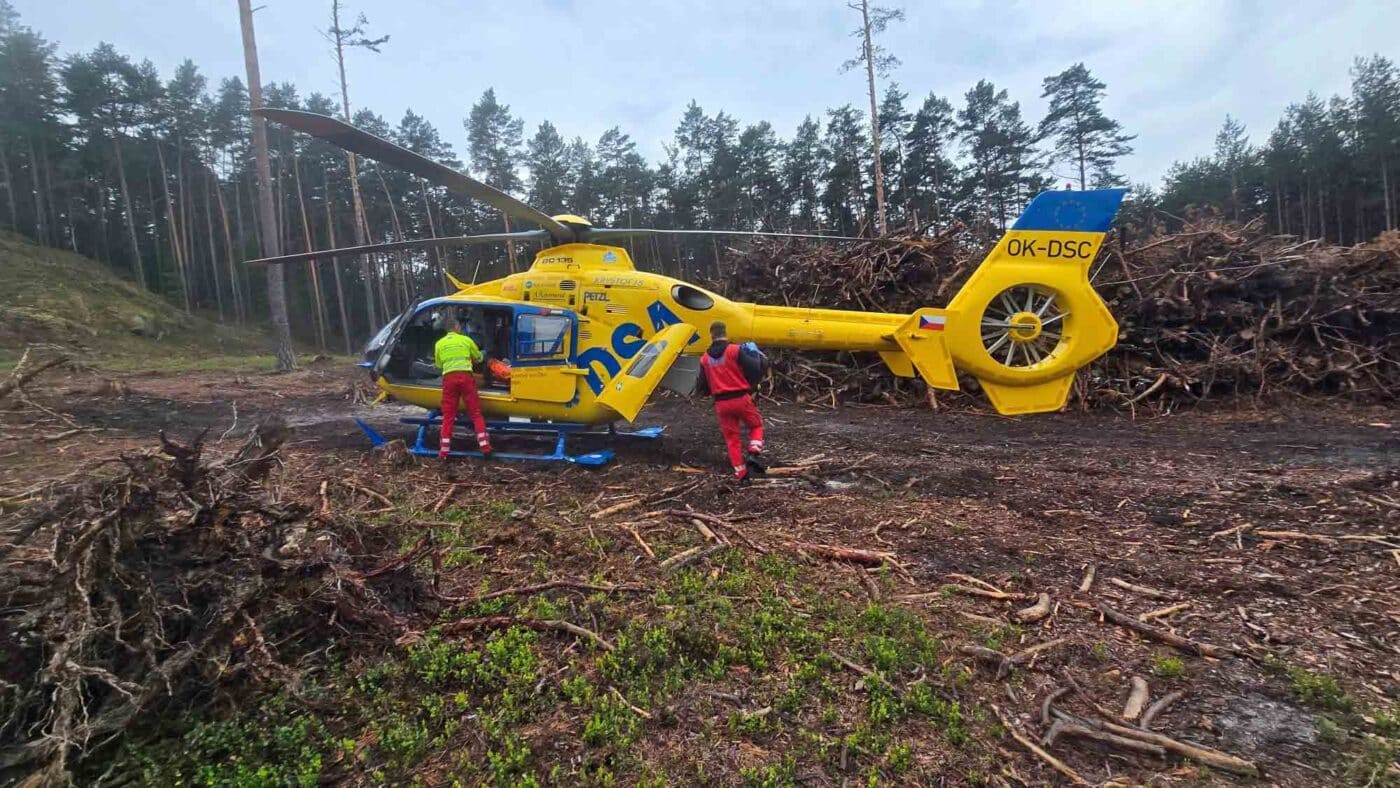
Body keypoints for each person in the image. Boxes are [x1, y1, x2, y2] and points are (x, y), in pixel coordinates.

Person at [699, 320, 767, 482]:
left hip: (721, 403)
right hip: (741, 398)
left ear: (711, 335)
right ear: (725, 333)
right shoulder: (735, 350)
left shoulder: (704, 359)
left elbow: (702, 385)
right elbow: (755, 368)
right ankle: (753, 452)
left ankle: (741, 475)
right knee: (756, 425)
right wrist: (752, 384)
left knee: (732, 439)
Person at [434, 315, 493, 460]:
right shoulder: (466, 340)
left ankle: (443, 452)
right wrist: (484, 354)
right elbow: (479, 358)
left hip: (449, 379)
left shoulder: (439, 344)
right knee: (475, 413)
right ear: (457, 328)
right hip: (466, 378)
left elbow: (439, 365)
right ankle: (485, 447)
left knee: (448, 416)